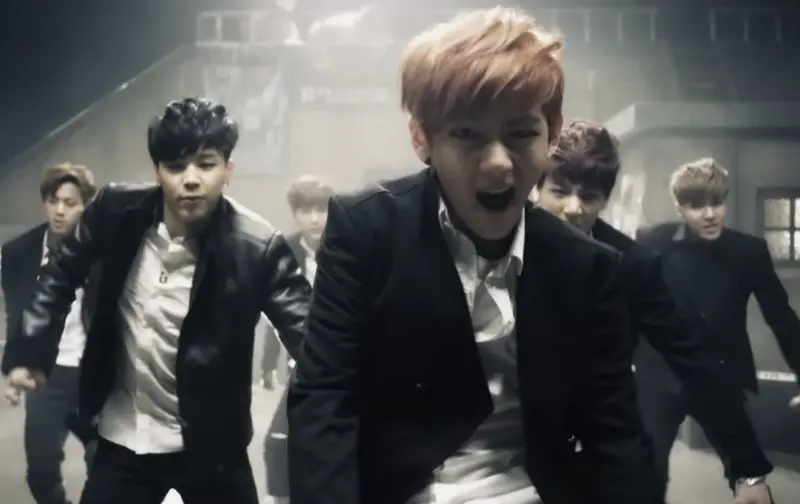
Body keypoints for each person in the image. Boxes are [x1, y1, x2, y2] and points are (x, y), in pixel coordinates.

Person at [287, 8, 655, 504]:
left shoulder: (589, 267)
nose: (498, 163)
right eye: (466, 134)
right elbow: (324, 399)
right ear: (422, 137)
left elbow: (617, 438)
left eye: (521, 134)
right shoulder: (365, 231)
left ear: (552, 133)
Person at [2, 97, 311, 504]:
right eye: (176, 166)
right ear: (157, 171)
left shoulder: (257, 246)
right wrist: (30, 348)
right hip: (123, 438)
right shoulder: (116, 211)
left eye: (206, 164)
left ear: (228, 170)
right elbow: (61, 273)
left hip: (212, 449)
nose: (191, 179)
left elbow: (309, 331)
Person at [535, 120, 775, 504]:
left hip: (599, 429)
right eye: (559, 192)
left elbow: (690, 355)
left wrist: (748, 469)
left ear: (604, 200)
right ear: (537, 189)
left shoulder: (632, 263)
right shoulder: (502, 242)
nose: (574, 209)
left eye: (589, 197)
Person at [636, 157, 800, 501]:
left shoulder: (749, 251)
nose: (710, 214)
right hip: (659, 378)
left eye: (717, 203)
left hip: (720, 377)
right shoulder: (653, 242)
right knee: (642, 477)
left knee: (752, 481)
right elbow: (629, 303)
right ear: (679, 207)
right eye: (697, 206)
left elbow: (781, 318)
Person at [1, 163, 98, 504]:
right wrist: (16, 366)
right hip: (48, 375)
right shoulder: (18, 253)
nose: (59, 210)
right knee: (40, 473)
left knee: (106, 470)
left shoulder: (104, 252)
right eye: (53, 201)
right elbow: (17, 315)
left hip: (95, 377)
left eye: (70, 203)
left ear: (85, 207)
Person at [261, 175, 333, 504]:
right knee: (278, 441)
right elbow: (273, 312)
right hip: (303, 357)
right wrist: (267, 365)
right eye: (306, 211)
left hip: (345, 355)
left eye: (321, 210)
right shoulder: (283, 250)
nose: (314, 219)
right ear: (295, 214)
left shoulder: (348, 245)